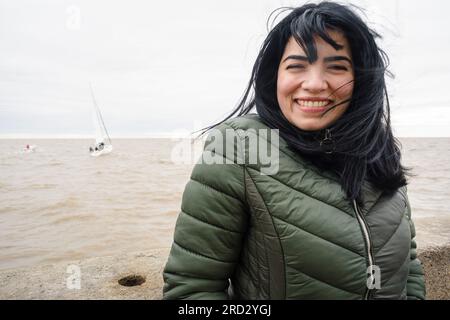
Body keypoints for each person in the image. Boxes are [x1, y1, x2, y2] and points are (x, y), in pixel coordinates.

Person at [162, 2, 426, 300]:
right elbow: (191, 290)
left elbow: (410, 266)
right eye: (297, 66)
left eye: (337, 66)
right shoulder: (237, 147)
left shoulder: (378, 148)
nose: (314, 84)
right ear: (275, 75)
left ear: (361, 79)